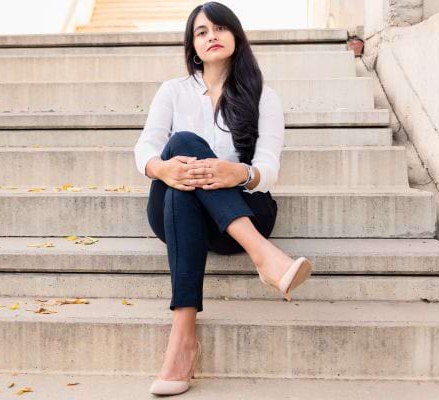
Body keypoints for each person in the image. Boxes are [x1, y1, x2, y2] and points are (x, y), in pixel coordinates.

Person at [133, 2, 313, 396]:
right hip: (175, 210)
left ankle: (182, 341)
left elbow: (269, 166)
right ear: (192, 46)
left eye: (219, 28)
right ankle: (265, 257)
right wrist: (161, 169)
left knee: (187, 179)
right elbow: (145, 147)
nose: (211, 36)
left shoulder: (263, 96)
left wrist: (241, 173)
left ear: (235, 35)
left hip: (245, 209)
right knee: (181, 148)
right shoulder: (173, 91)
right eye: (201, 32)